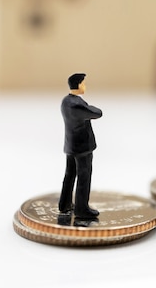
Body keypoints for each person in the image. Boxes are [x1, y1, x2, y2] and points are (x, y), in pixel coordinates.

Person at [58, 73, 103, 218]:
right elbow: (97, 113)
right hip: (82, 148)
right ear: (78, 85)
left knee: (69, 175)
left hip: (70, 146)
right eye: (83, 83)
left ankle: (64, 204)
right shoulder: (77, 105)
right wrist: (90, 107)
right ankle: (81, 209)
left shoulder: (65, 101)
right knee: (84, 177)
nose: (85, 86)